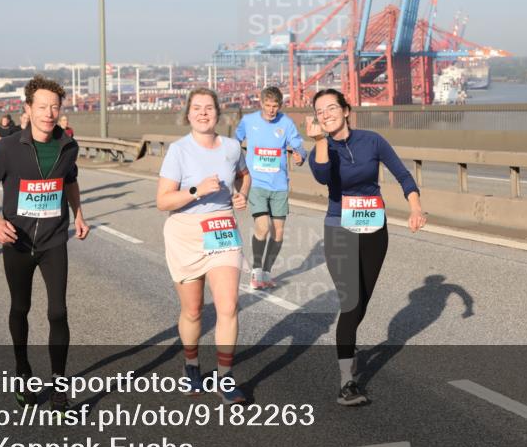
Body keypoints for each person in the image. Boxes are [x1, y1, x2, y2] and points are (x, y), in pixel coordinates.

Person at [0, 76, 89, 413]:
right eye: (42, 107)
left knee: (58, 311)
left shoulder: (68, 145)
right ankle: (22, 372)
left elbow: (71, 180)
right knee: (20, 308)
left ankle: (59, 387)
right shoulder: (7, 148)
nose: (49, 113)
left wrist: (79, 214)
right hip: (18, 242)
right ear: (28, 109)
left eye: (55, 107)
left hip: (54, 241)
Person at [306, 89, 426, 407]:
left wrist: (415, 208)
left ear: (347, 110)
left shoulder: (372, 141)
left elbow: (403, 175)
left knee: (362, 303)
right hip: (339, 228)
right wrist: (319, 141)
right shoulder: (321, 149)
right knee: (350, 303)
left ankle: (349, 346)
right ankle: (347, 380)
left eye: (332, 107)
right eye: (320, 110)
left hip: (374, 227)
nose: (327, 113)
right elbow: (322, 177)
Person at [156, 88, 250, 404]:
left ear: (217, 112)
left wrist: (241, 194)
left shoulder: (233, 147)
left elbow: (243, 176)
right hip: (185, 232)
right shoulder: (178, 151)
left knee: (227, 306)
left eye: (208, 107)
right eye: (197, 108)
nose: (203, 113)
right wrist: (196, 190)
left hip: (221, 227)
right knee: (193, 311)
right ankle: (192, 365)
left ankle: (225, 377)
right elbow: (162, 200)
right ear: (188, 113)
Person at [234, 86, 307, 289]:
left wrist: (300, 154)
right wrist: (234, 165)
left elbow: (298, 145)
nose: (271, 110)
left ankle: (266, 272)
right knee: (263, 226)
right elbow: (234, 142)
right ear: (261, 103)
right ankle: (256, 271)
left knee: (278, 232)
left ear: (280, 105)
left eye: (275, 106)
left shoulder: (286, 123)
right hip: (256, 183)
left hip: (279, 185)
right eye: (267, 105)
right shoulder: (249, 121)